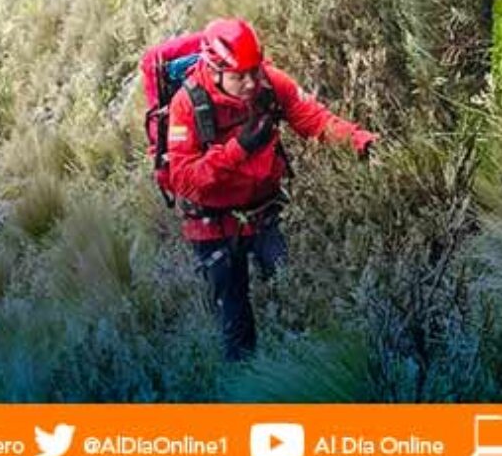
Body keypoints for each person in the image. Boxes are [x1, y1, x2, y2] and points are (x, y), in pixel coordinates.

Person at [161, 18, 379, 361]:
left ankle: (308, 370)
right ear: (214, 70)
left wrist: (361, 141)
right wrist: (239, 150)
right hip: (211, 227)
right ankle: (245, 392)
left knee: (298, 293)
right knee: (236, 325)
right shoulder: (187, 105)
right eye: (239, 76)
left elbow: (314, 119)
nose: (251, 83)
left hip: (265, 211)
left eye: (254, 70)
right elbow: (184, 179)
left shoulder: (270, 84)